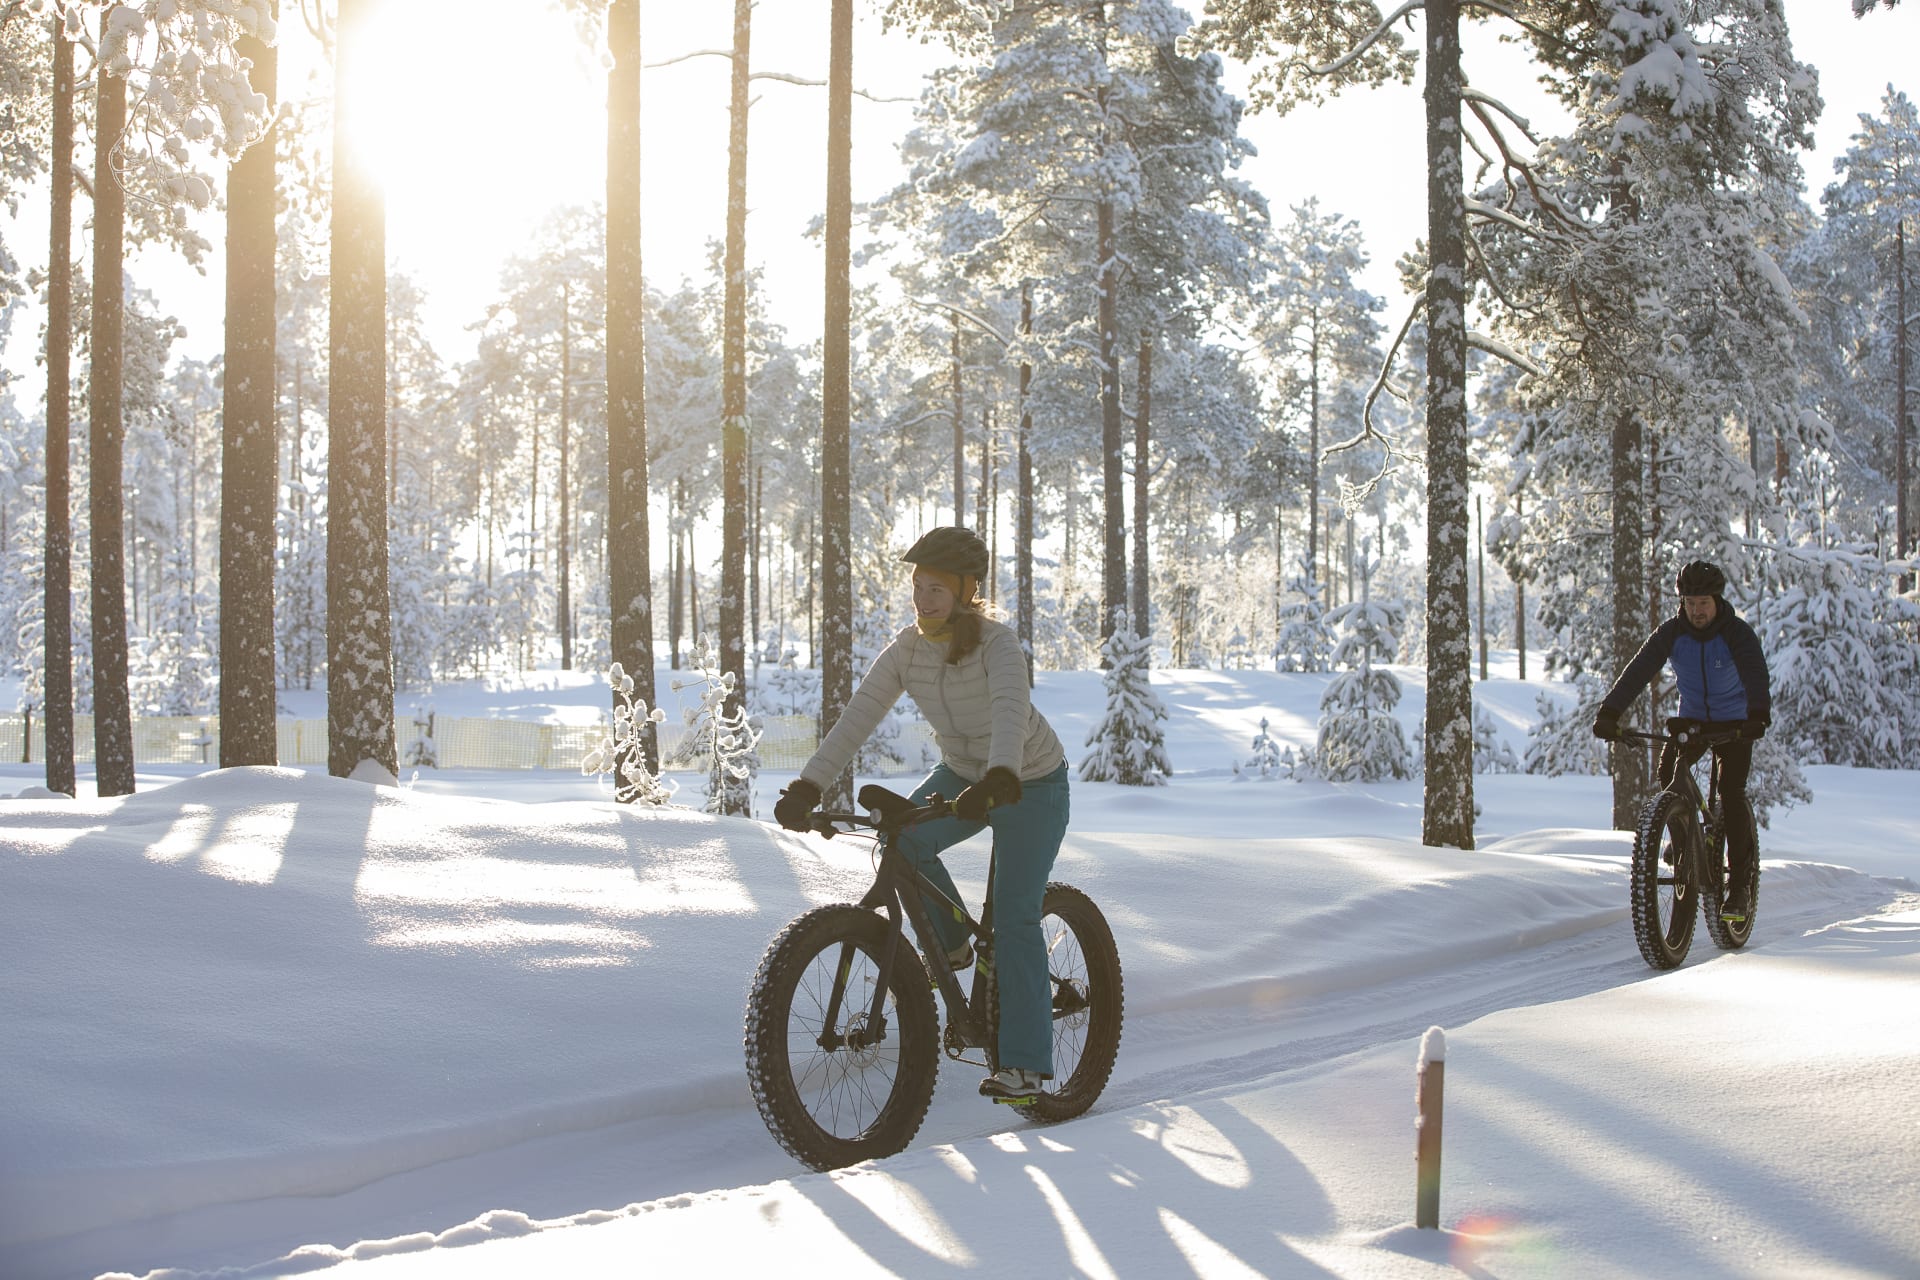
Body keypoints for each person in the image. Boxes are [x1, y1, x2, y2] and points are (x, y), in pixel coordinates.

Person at [772, 527, 1070, 1102]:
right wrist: (808, 785)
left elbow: (1011, 711)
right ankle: (955, 944)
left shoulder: (998, 645)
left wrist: (1002, 776)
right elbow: (858, 715)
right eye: (917, 587)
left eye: (936, 588)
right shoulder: (907, 648)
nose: (923, 599)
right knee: (902, 842)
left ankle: (1027, 1065)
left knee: (1013, 917)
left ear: (965, 590)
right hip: (964, 773)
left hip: (1029, 781)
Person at [1592, 560, 1772, 915]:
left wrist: (1757, 716)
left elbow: (1756, 675)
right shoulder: (1672, 633)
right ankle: (1684, 833)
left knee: (1731, 794)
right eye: (1690, 603)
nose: (1696, 610)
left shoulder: (1736, 633)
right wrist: (1610, 713)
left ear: (1716, 600)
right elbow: (1639, 670)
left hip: (1735, 723)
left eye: (1703, 602)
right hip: (1693, 720)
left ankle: (1738, 888)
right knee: (1669, 775)